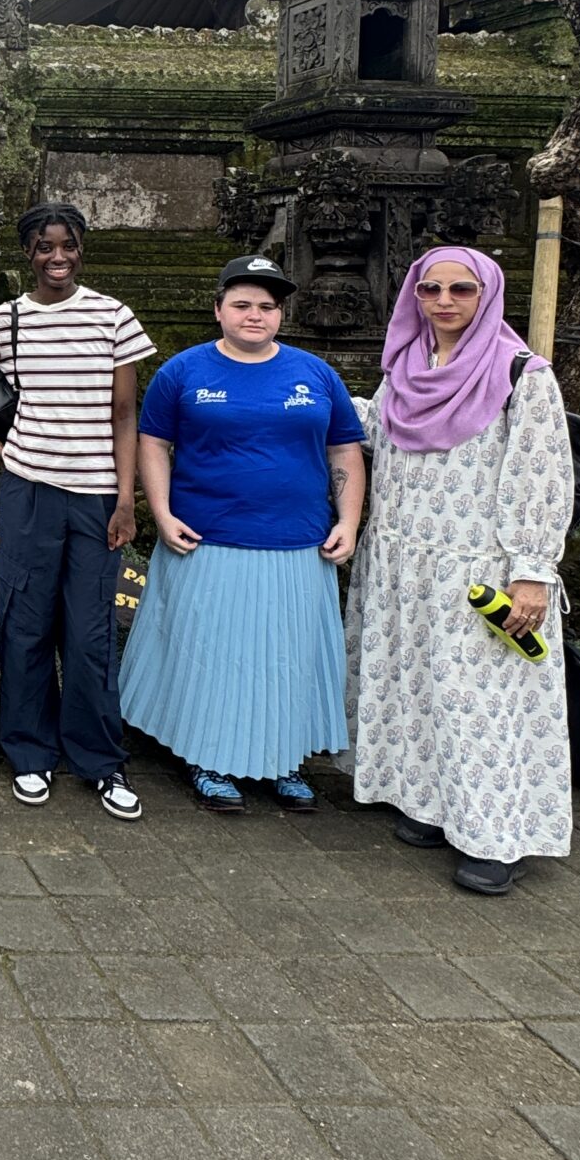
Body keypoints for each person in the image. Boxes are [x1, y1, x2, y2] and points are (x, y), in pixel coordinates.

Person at [347, 246, 575, 896]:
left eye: (462, 290)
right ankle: (428, 804)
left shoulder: (522, 376)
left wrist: (532, 570)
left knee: (477, 701)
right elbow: (381, 433)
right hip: (404, 559)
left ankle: (494, 836)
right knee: (417, 686)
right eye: (431, 289)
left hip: (479, 567)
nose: (444, 302)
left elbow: (540, 476)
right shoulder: (408, 368)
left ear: (488, 295)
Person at [0, 200, 155, 820]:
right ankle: (30, 753)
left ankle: (100, 761)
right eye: (44, 247)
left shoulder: (114, 317)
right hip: (27, 490)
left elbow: (125, 413)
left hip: (95, 496)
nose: (58, 258)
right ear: (27, 253)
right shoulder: (7, 320)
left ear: (81, 249)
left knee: (89, 632)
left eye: (68, 246)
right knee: (24, 622)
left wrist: (125, 499)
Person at [120, 256, 366, 814]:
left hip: (298, 542)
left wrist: (348, 521)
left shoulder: (316, 374)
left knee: (288, 656)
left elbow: (343, 449)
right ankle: (209, 757)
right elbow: (153, 443)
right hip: (207, 538)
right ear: (218, 310)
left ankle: (284, 760)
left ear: (280, 314)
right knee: (214, 655)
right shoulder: (183, 372)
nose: (255, 315)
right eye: (243, 304)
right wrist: (160, 511)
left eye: (267, 306)